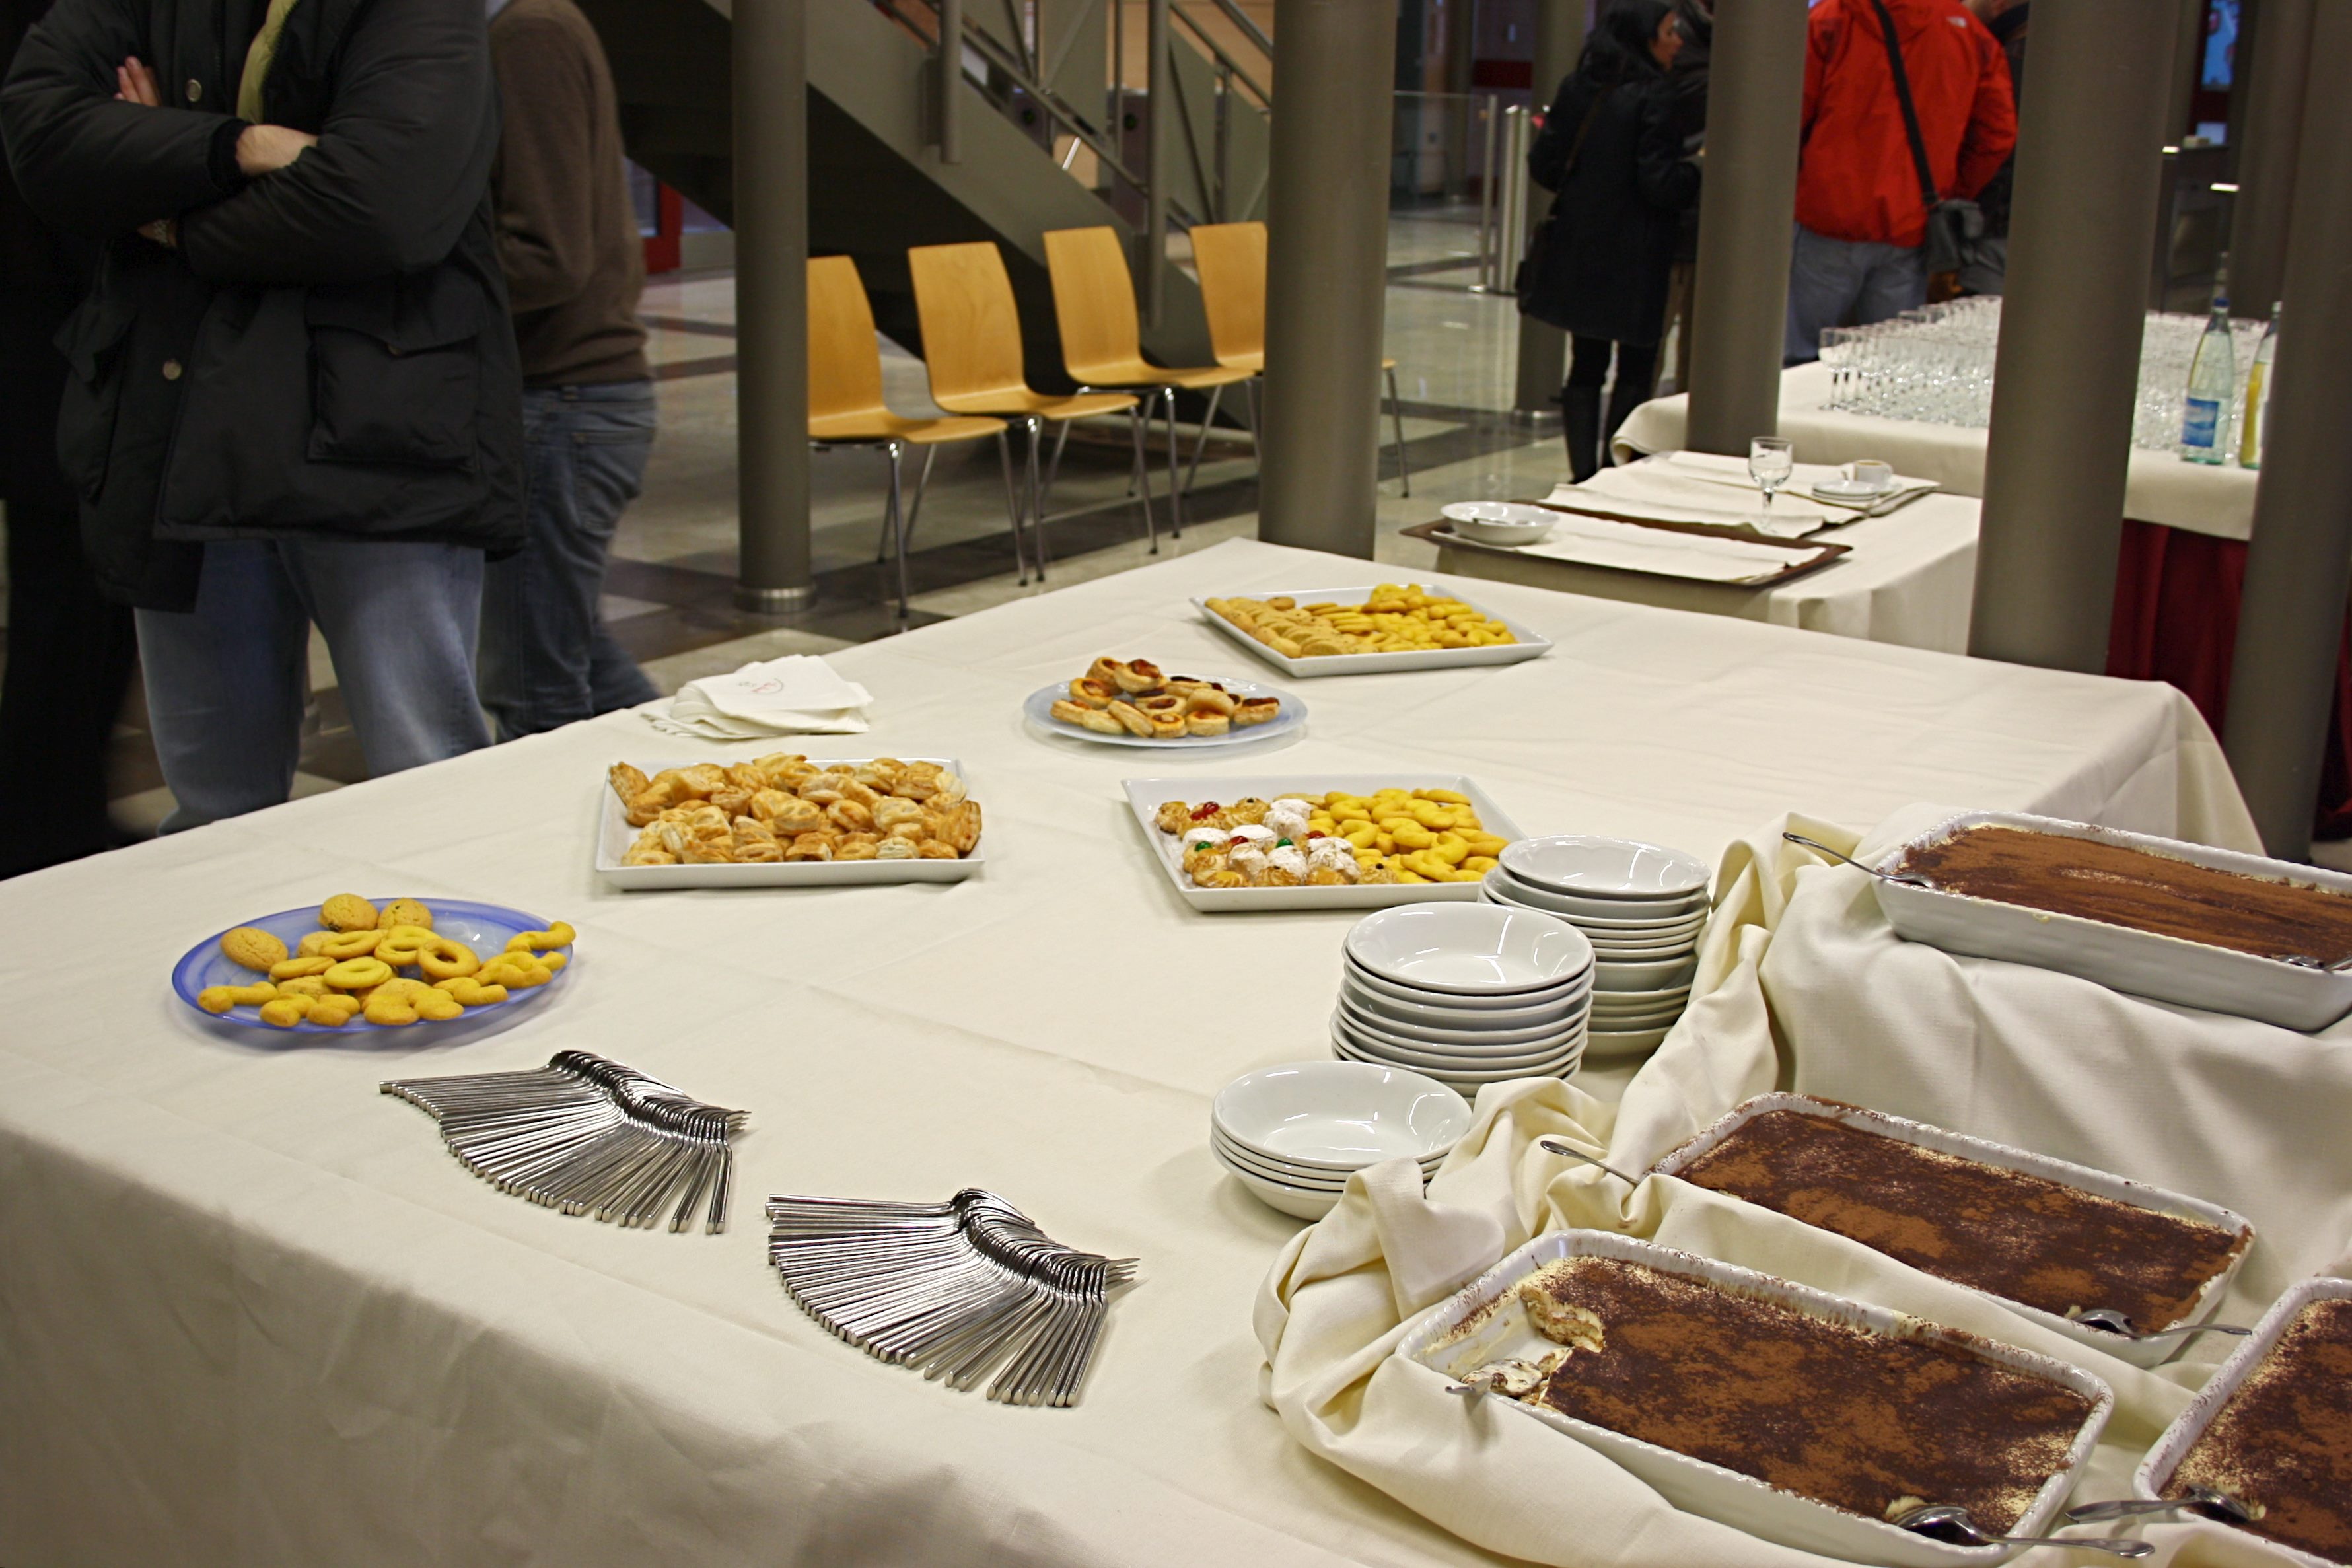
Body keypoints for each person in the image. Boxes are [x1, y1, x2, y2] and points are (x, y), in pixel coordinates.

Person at [2, 0, 523, 832]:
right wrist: (239, 146)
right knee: (213, 813)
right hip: (181, 431)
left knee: (427, 786)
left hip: (379, 441)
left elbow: (385, 203)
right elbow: (42, 137)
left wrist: (165, 211)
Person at [476, 0, 660, 740]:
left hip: (564, 402)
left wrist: (412, 268)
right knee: (570, 650)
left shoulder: (529, 32)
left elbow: (546, 256)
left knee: (533, 685)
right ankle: (704, 785)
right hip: (569, 402)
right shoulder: (526, 28)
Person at [0, 0, 138, 877]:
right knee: (66, 611)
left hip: (51, 359)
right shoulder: (46, 36)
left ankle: (61, 818)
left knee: (80, 611)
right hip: (53, 363)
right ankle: (44, 834)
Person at [1521, 0, 1700, 481]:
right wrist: (1698, 172)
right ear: (1644, 35)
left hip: (1581, 243)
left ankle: (1582, 475)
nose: (1678, 41)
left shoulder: (1580, 86)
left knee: (1586, 365)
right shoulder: (1655, 95)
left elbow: (1544, 165)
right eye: (1669, 31)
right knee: (1635, 365)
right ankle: (1616, 474)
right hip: (1638, 251)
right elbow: (1660, 183)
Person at [1783, 0, 2014, 363]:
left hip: (1828, 218)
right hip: (1913, 226)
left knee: (1796, 359)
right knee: (1891, 362)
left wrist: (1802, 183)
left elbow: (1787, 115)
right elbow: (1996, 134)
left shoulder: (1833, 19)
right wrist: (1949, 192)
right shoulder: (1969, 34)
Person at [1956, 0, 2028, 295]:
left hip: (1992, 235)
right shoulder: (2083, 71)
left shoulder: (1996, 65)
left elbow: (1994, 141)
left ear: (1999, 5)